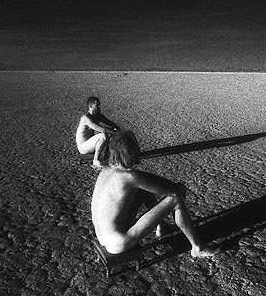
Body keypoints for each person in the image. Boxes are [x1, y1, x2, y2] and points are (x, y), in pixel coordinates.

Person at [91, 130, 218, 258]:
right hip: (120, 242)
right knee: (175, 199)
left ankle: (162, 227)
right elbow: (173, 190)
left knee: (143, 190)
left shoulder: (105, 170)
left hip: (103, 237)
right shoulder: (130, 176)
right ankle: (197, 248)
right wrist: (180, 188)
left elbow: (146, 181)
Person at [76, 96, 120, 167]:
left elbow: (110, 123)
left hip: (90, 144)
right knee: (104, 135)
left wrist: (117, 129)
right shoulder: (86, 118)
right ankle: (96, 160)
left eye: (99, 105)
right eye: (97, 106)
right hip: (83, 147)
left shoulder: (98, 116)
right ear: (90, 106)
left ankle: (106, 155)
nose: (99, 107)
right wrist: (117, 133)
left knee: (110, 133)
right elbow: (101, 129)